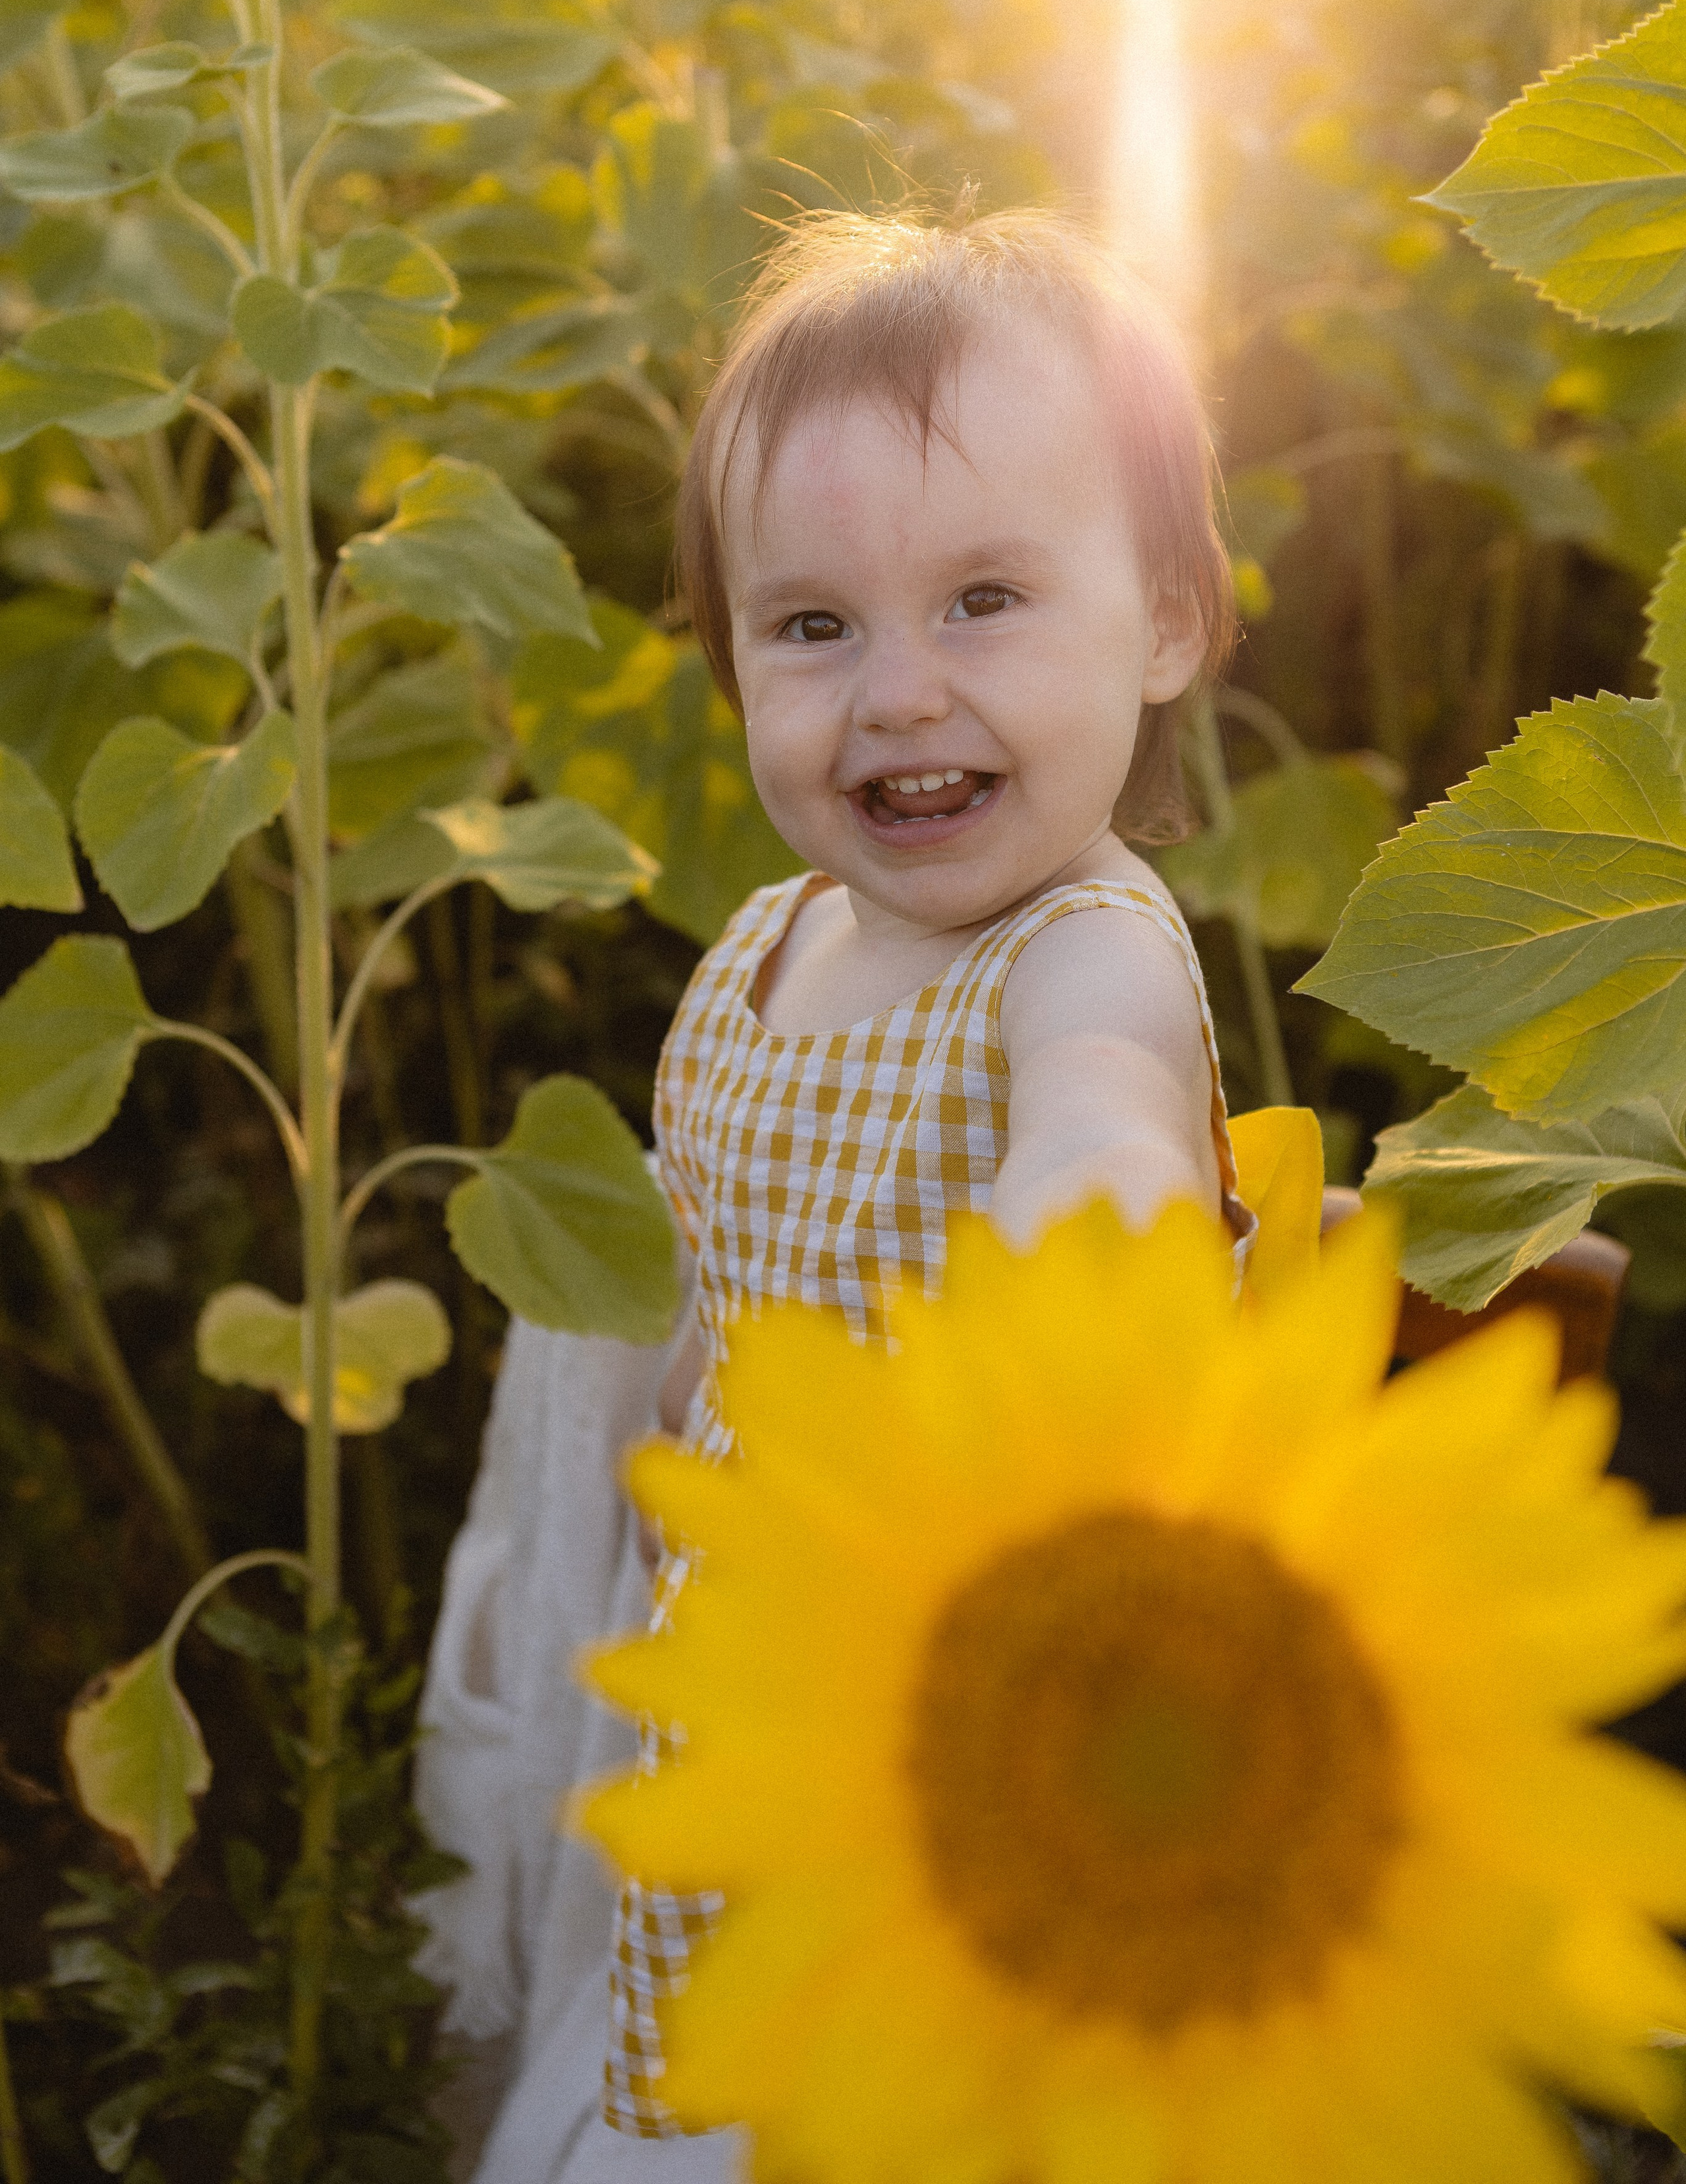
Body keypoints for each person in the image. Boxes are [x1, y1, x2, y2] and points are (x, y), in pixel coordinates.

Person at [425, 205, 1251, 2179]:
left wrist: (1098, 1214)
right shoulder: (767, 949)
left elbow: (1106, 1113)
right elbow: (722, 1276)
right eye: (814, 626)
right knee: (716, 2075)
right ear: (731, 658)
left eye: (983, 598)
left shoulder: (1080, 952)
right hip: (736, 1680)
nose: (896, 693)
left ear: (1165, 618)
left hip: (963, 1718)